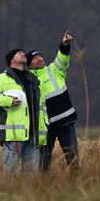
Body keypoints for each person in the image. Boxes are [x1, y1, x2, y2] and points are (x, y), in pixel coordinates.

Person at [0, 48, 47, 173]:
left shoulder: (32, 78)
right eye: (19, 53)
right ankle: (5, 192)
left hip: (34, 135)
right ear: (11, 60)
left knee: (31, 175)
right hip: (14, 135)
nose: (24, 54)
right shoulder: (2, 79)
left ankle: (27, 193)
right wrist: (9, 101)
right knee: (8, 173)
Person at [29, 29, 79, 171]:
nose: (39, 59)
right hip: (45, 127)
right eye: (35, 58)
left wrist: (64, 44)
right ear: (29, 64)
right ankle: (43, 186)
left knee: (73, 159)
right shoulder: (28, 80)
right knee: (43, 162)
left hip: (66, 122)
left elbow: (62, 58)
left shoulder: (54, 70)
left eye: (40, 56)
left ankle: (78, 184)